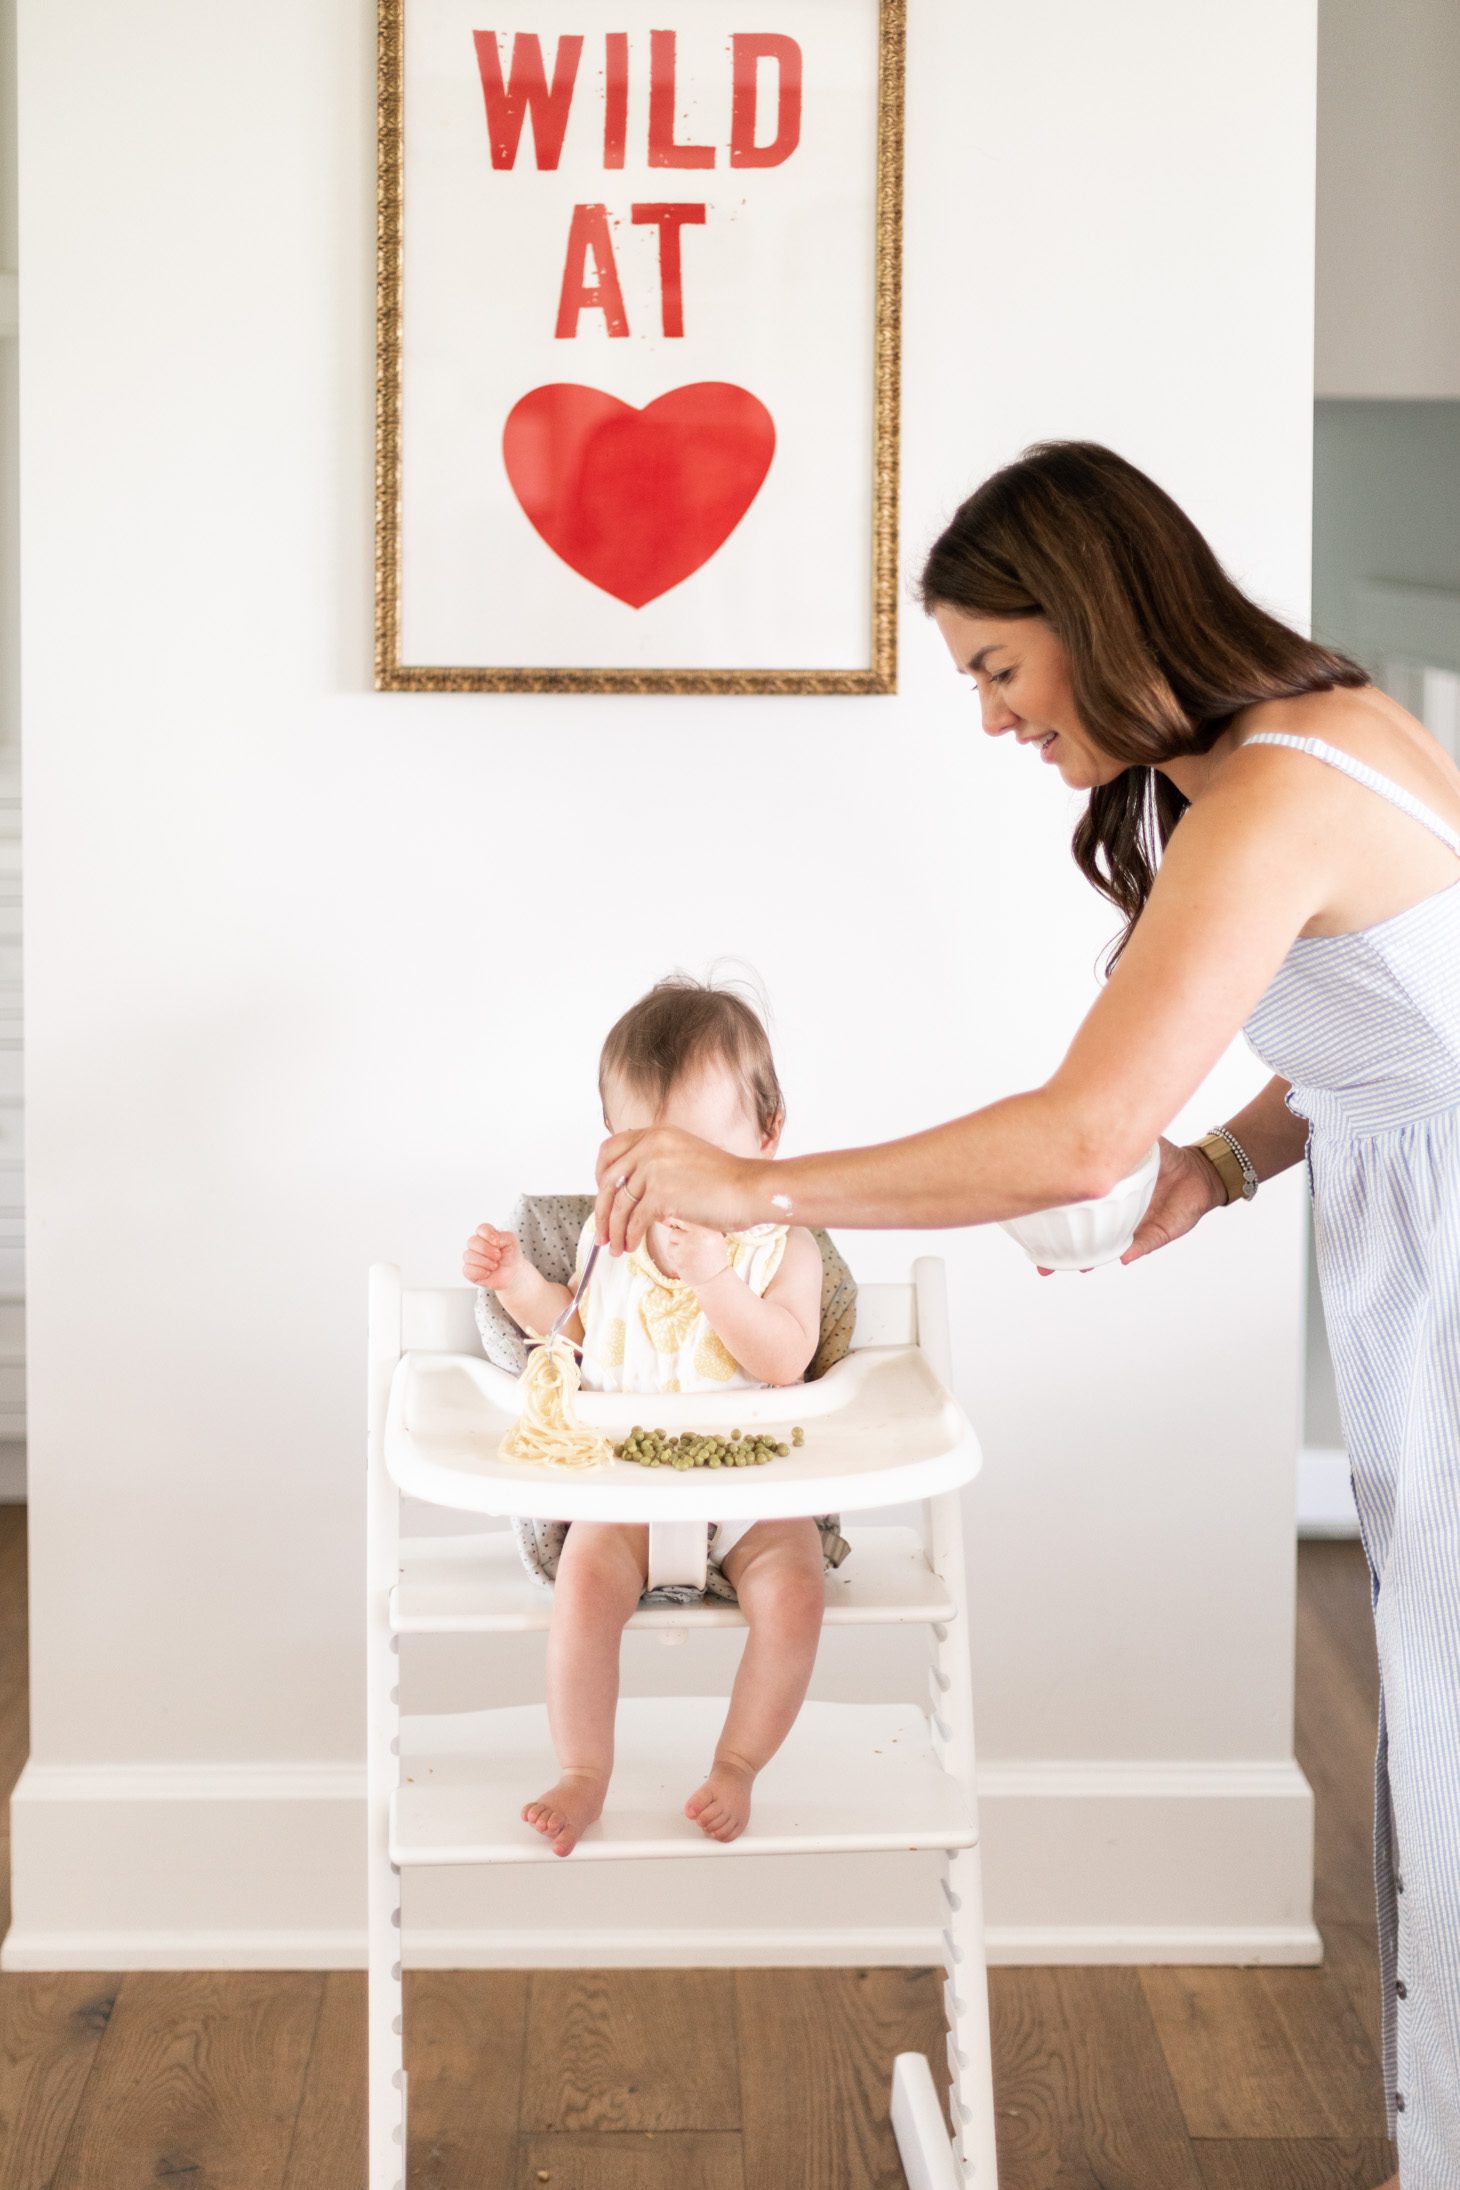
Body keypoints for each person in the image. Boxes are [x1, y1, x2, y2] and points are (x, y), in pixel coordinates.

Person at [591, 442, 1460, 2190]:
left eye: (997, 665)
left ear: (1098, 609)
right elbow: (1403, 1021)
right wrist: (1223, 1161)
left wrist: (755, 1185)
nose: (990, 719)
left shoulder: (1280, 787)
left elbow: (1076, 1133)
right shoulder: (1285, 757)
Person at [463, 978, 826, 1857]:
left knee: (797, 1594)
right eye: (650, 1154)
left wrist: (715, 1277)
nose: (674, 1182)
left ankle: (738, 1762)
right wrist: (518, 1287)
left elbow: (785, 1360)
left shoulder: (788, 1247)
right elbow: (577, 1342)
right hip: (623, 1491)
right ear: (614, 1155)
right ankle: (583, 1772)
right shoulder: (606, 1244)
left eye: (700, 1152)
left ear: (767, 1135)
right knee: (583, 1593)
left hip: (753, 1492)